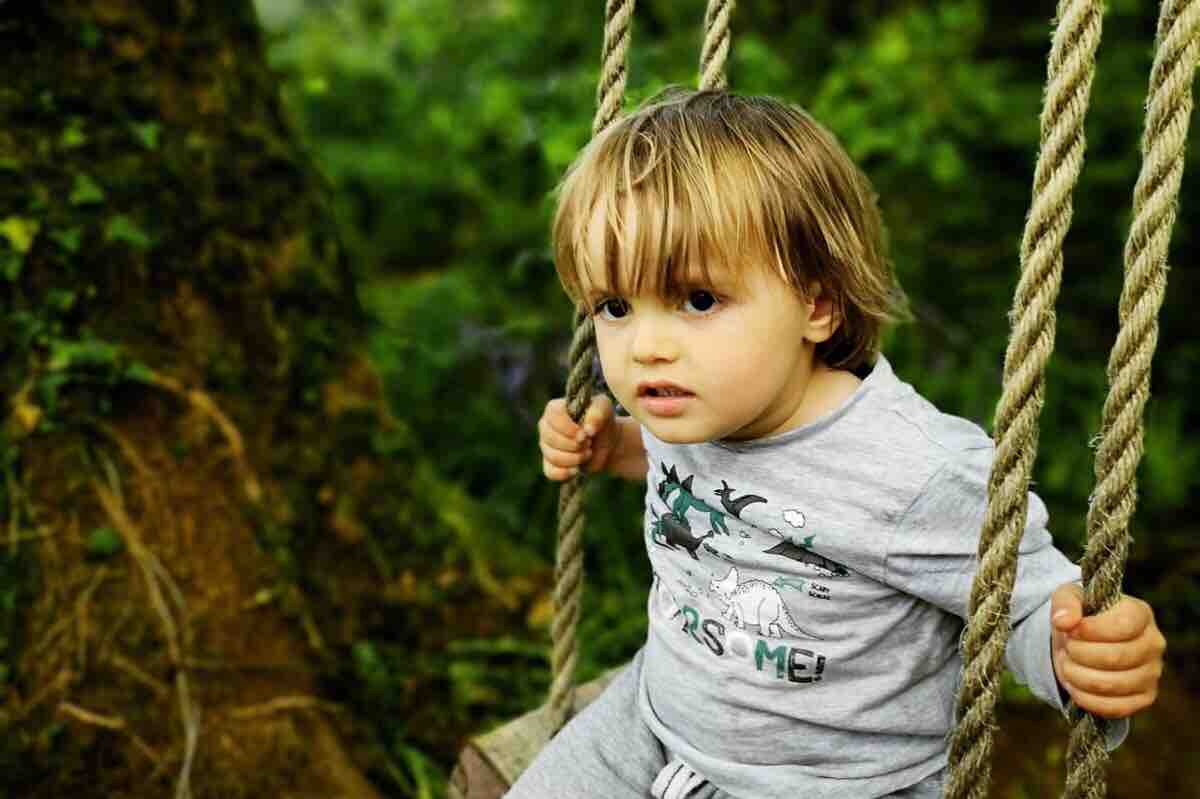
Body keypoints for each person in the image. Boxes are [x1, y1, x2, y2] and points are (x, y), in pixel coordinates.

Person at [514, 87, 1166, 799]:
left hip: (833, 782)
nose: (645, 348)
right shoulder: (698, 405)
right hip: (655, 718)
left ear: (816, 304)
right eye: (615, 306)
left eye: (697, 300)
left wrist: (1078, 651)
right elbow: (688, 472)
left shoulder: (915, 471)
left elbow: (1021, 600)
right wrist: (614, 447)